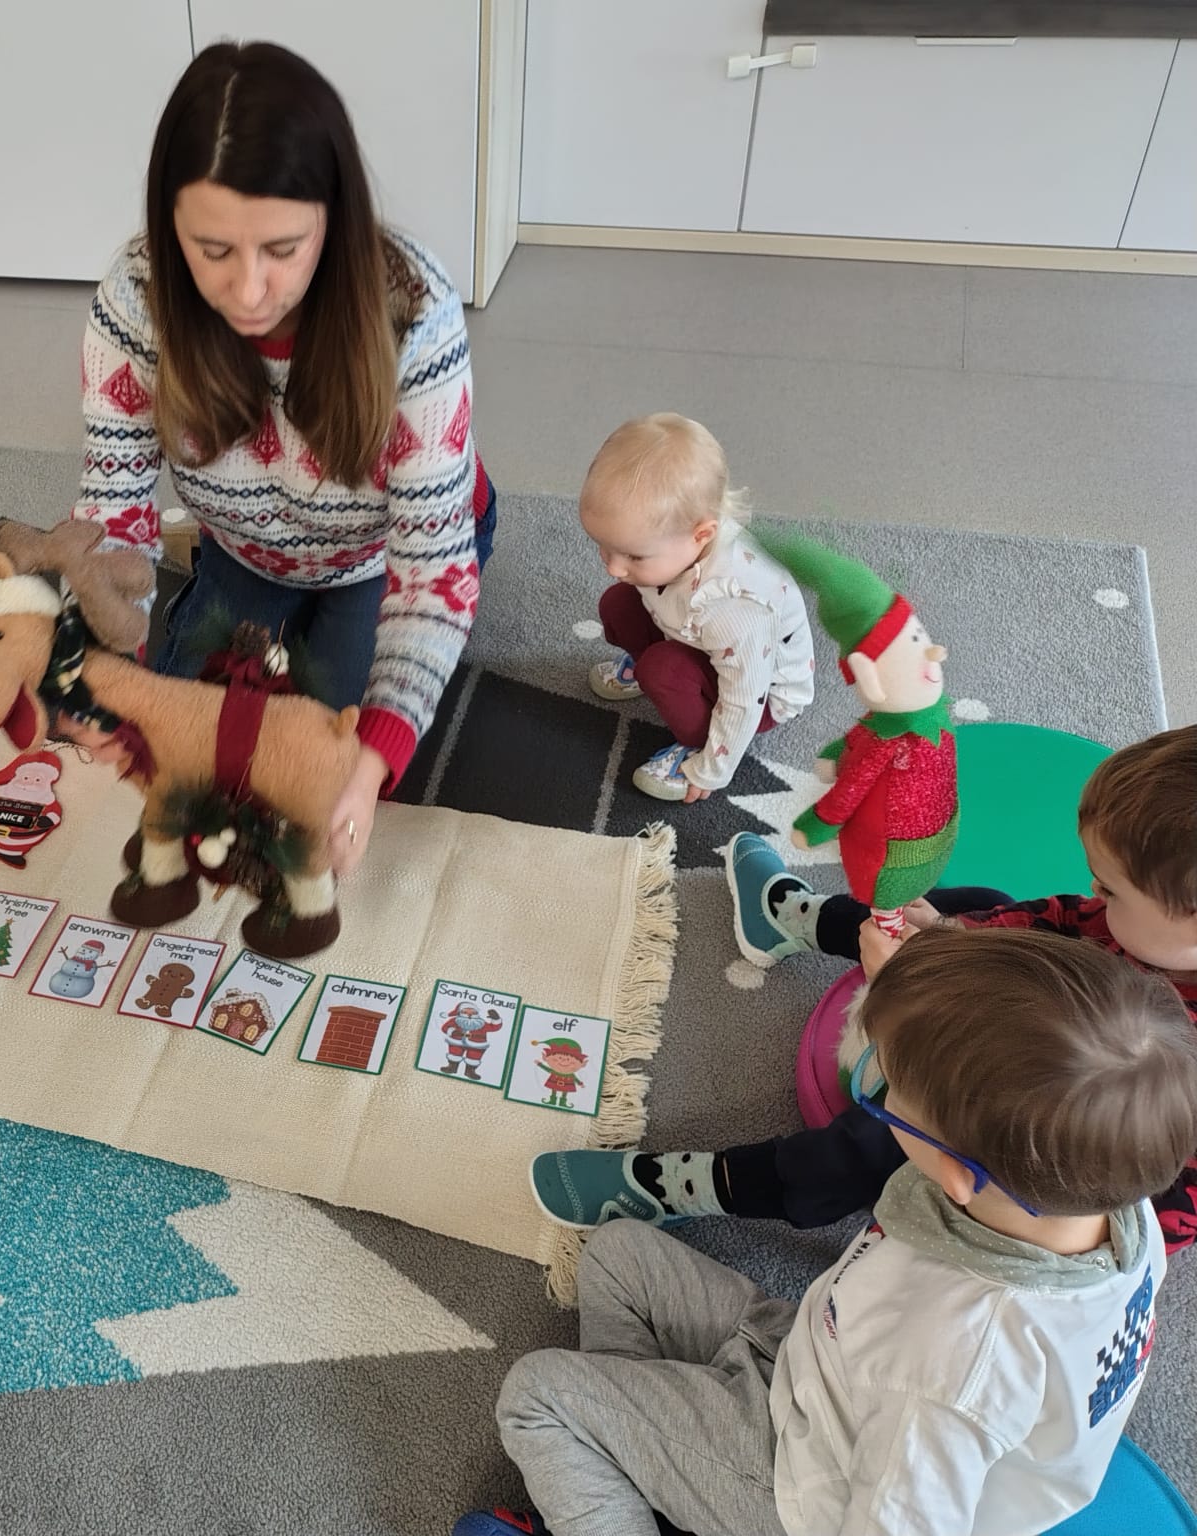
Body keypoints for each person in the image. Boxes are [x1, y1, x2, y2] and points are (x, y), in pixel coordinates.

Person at [466, 927, 1196, 1536]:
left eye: (889, 1094)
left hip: (798, 1486)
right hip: (820, 1365)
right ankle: (644, 1472)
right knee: (618, 1254)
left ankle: (638, 1478)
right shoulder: (1107, 1198)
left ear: (958, 1173)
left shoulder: (951, 1366)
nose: (880, 1096)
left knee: (538, 1397)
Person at [66, 41, 496, 876]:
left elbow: (431, 574)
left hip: (385, 559)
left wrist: (368, 764)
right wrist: (105, 667)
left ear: (334, 219)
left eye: (284, 249)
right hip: (245, 549)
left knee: (315, 772)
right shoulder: (137, 296)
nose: (250, 291)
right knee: (181, 741)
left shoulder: (415, 311)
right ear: (168, 224)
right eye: (213, 250)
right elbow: (114, 505)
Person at [529, 725, 1197, 1247]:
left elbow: (1115, 1194)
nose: (1091, 891)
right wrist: (953, 934)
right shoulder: (1144, 931)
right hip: (1032, 1012)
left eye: (1111, 889)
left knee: (871, 1145)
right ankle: (794, 921)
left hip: (1022, 1137)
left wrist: (918, 983)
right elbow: (1061, 923)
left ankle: (699, 1187)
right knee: (983, 902)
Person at [580, 414, 814, 803]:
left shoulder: (736, 607)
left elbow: (744, 698)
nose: (614, 567)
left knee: (662, 669)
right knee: (618, 602)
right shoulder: (675, 543)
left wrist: (712, 769)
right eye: (604, 547)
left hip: (761, 693)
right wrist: (638, 567)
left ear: (701, 535)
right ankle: (658, 668)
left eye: (634, 556)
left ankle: (695, 740)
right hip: (696, 632)